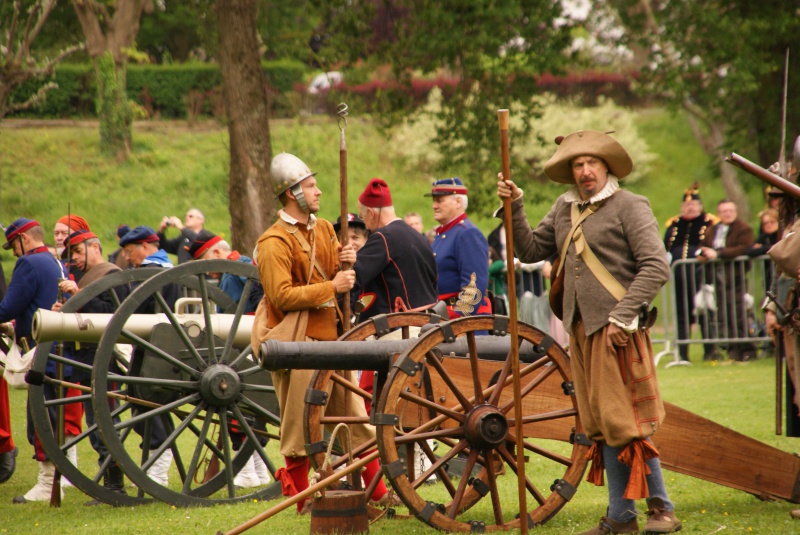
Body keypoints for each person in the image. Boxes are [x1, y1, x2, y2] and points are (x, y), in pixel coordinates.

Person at [496, 130, 679, 535]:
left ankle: (661, 510)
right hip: (579, 330)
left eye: (591, 163)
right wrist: (516, 204)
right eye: (577, 165)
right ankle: (622, 517)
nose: (584, 171)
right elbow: (528, 251)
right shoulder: (565, 208)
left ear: (606, 166)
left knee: (624, 422)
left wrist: (623, 317)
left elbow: (656, 266)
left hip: (616, 331)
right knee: (599, 423)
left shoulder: (630, 205)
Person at [255, 152, 397, 513]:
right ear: (292, 193)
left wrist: (345, 259)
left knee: (355, 421)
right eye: (311, 185)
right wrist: (333, 286)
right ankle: (301, 499)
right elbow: (281, 296)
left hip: (333, 341)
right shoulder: (273, 242)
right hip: (298, 342)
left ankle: (380, 495)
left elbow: (334, 269)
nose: (318, 191)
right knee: (300, 428)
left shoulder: (321, 229)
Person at [52, 229, 131, 503]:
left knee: (104, 423)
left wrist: (79, 295)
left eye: (77, 251)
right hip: (87, 358)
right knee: (95, 422)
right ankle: (110, 482)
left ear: (94, 247)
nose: (74, 258)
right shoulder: (88, 280)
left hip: (106, 359)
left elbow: (114, 316)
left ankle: (115, 485)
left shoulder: (112, 275)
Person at [0, 219, 68, 503]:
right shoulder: (53, 262)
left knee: (40, 419)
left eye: (14, 245)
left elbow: (9, 306)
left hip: (39, 350)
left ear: (25, 239)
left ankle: (48, 482)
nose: (14, 252)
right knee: (46, 416)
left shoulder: (28, 264)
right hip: (51, 347)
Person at [119, 226, 178, 485]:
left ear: (145, 247)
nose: (127, 259)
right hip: (160, 347)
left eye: (130, 253)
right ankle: (153, 466)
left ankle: (157, 470)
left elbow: (134, 308)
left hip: (154, 350)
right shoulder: (170, 271)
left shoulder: (152, 274)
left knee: (147, 402)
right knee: (143, 402)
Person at [663, 183, 718, 362]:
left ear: (700, 206)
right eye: (686, 205)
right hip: (680, 277)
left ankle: (710, 351)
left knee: (704, 313)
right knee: (682, 314)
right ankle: (682, 353)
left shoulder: (709, 222)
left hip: (701, 276)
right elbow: (666, 248)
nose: (690, 207)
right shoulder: (674, 224)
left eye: (693, 205)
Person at [698, 199, 756, 362]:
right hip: (717, 278)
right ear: (719, 213)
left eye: (730, 210)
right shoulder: (712, 230)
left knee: (738, 314)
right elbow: (703, 245)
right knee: (723, 315)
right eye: (724, 211)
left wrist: (719, 254)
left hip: (736, 277)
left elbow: (744, 248)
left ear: (735, 212)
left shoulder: (744, 228)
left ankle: (747, 350)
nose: (728, 213)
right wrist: (703, 254)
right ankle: (731, 350)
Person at [427, 177, 491, 319]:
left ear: (458, 202)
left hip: (463, 324)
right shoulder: (444, 234)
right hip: (442, 317)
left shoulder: (467, 234)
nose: (434, 206)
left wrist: (457, 320)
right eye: (434, 201)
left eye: (439, 201)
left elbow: (473, 287)